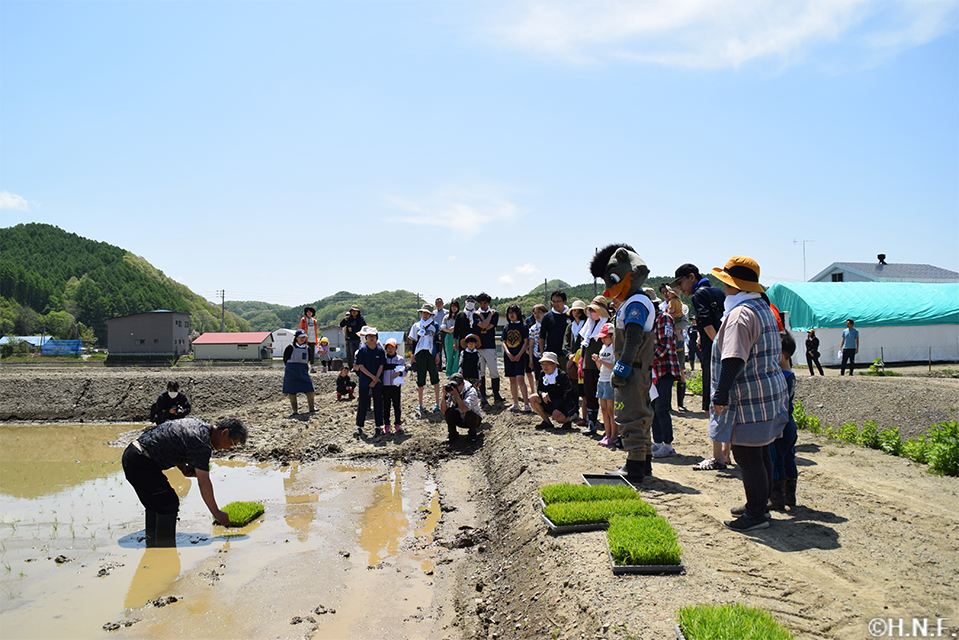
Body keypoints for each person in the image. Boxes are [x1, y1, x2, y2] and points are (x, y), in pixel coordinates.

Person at [708, 256, 788, 532]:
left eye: (727, 282)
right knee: (761, 451)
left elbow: (733, 358)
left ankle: (755, 514)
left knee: (746, 455)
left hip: (748, 396)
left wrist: (720, 394)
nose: (723, 287)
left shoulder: (740, 314)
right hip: (768, 391)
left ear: (736, 286)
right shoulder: (761, 306)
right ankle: (758, 503)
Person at [122, 417, 247, 546]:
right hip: (141, 462)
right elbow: (204, 482)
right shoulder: (201, 443)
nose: (229, 449)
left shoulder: (198, 425)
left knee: (156, 505)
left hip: (132, 455)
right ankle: (165, 548)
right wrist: (216, 512)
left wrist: (183, 468)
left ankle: (152, 542)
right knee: (168, 504)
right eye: (232, 443)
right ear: (224, 432)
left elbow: (174, 441)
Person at [591, 244, 657, 481]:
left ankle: (635, 466)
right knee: (642, 414)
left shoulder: (635, 303)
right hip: (640, 369)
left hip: (634, 369)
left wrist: (622, 367)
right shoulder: (635, 301)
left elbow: (633, 338)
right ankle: (643, 462)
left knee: (630, 415)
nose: (609, 290)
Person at [671, 264, 724, 412]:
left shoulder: (698, 295)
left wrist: (720, 347)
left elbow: (707, 324)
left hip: (713, 351)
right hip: (725, 347)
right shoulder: (718, 291)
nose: (680, 288)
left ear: (692, 277)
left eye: (680, 283)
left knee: (710, 401)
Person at [769, 332, 799, 510]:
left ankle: (777, 498)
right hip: (790, 423)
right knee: (790, 458)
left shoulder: (780, 376)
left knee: (777, 459)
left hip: (780, 423)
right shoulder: (791, 374)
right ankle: (790, 496)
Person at [651, 288, 681, 458]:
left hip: (664, 369)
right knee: (653, 407)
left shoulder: (664, 318)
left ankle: (668, 444)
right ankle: (657, 441)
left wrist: (651, 360)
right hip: (653, 371)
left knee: (662, 408)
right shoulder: (648, 320)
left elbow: (666, 344)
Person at [579, 296, 610, 435]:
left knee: (606, 397)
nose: (592, 313)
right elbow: (584, 347)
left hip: (604, 366)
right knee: (590, 394)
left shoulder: (608, 326)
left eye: (595, 310)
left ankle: (609, 427)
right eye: (591, 310)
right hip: (588, 365)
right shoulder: (588, 326)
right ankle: (591, 423)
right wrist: (581, 362)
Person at [529, 352, 577, 429]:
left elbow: (568, 394)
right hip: (550, 401)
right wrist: (543, 393)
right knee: (533, 398)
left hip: (563, 403)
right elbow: (539, 389)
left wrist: (559, 409)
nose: (544, 367)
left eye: (547, 364)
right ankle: (546, 421)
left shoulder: (562, 375)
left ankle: (568, 420)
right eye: (543, 364)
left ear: (555, 364)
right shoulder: (542, 374)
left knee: (558, 418)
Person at [409, 303, 442, 413]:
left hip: (431, 353)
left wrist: (438, 354)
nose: (425, 315)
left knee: (435, 378)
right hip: (419, 353)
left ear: (431, 314)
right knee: (420, 378)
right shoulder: (416, 325)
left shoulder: (435, 325)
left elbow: (438, 341)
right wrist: (413, 355)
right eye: (423, 312)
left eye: (427, 313)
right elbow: (413, 342)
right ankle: (420, 404)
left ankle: (437, 403)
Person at [471, 292, 504, 404]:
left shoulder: (495, 314)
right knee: (481, 372)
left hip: (490, 345)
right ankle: (483, 395)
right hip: (479, 346)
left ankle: (496, 393)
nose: (482, 305)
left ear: (488, 303)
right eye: (480, 303)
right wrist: (487, 315)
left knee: (494, 371)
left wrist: (484, 317)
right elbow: (484, 326)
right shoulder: (476, 314)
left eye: (484, 303)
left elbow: (487, 326)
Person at [354, 326, 386, 436]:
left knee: (378, 403)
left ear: (377, 338)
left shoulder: (380, 350)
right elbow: (361, 366)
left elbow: (381, 366)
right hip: (365, 380)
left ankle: (378, 426)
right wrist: (373, 378)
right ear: (366, 338)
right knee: (362, 403)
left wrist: (376, 379)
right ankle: (359, 426)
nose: (371, 338)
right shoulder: (362, 350)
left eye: (373, 336)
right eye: (369, 336)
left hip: (377, 381)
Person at [663, 285, 690, 410]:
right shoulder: (662, 307)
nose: (666, 294)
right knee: (667, 373)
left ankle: (680, 404)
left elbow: (685, 322)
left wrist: (673, 325)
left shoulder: (682, 307)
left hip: (677, 343)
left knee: (681, 371)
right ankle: (667, 403)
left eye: (668, 292)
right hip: (667, 343)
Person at [591, 323, 617, 447]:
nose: (602, 339)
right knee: (604, 409)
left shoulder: (614, 348)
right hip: (602, 380)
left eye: (605, 337)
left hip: (610, 381)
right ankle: (607, 434)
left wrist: (601, 361)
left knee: (611, 410)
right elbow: (600, 368)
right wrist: (597, 361)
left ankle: (613, 435)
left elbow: (614, 366)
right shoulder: (603, 347)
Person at [501, 303, 530, 412]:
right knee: (512, 380)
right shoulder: (506, 327)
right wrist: (509, 354)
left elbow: (526, 342)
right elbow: (503, 342)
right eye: (509, 313)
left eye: (513, 312)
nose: (511, 315)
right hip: (509, 356)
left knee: (520, 379)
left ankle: (526, 404)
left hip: (520, 356)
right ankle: (515, 403)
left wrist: (518, 355)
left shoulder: (523, 326)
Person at [564, 300, 588, 426]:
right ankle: (575, 412)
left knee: (584, 388)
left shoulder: (587, 324)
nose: (576, 313)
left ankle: (588, 415)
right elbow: (565, 344)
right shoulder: (570, 326)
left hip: (583, 359)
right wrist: (569, 355)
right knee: (571, 387)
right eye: (574, 310)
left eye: (579, 310)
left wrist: (576, 356)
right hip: (571, 360)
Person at [441, 372, 482, 442]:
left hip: (473, 420)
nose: (455, 388)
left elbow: (464, 409)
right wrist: (444, 395)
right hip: (459, 417)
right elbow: (443, 409)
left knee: (470, 414)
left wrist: (456, 395)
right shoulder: (451, 390)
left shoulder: (471, 391)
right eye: (453, 385)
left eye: (457, 385)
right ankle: (452, 434)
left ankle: (472, 434)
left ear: (462, 384)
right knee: (449, 412)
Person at [283, 329, 315, 415]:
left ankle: (312, 408)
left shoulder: (308, 348)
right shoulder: (290, 347)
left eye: (304, 337)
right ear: (296, 338)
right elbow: (285, 359)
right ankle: (295, 410)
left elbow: (308, 360)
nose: (302, 339)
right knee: (292, 391)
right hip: (291, 371)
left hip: (303, 371)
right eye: (300, 337)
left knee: (310, 389)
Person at [539, 290, 571, 369]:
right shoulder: (547, 317)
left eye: (558, 301)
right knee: (552, 379)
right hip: (551, 354)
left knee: (567, 378)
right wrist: (542, 353)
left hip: (567, 355)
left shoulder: (570, 315)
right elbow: (542, 336)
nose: (555, 304)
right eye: (553, 301)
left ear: (564, 301)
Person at [382, 338, 406, 433]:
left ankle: (397, 424)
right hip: (385, 386)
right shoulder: (383, 359)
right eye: (388, 347)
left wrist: (399, 373)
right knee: (386, 406)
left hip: (396, 386)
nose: (390, 349)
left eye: (392, 347)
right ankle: (387, 424)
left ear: (396, 348)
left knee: (396, 405)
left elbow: (405, 372)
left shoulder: (400, 359)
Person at [526, 304, 547, 394]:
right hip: (536, 356)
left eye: (539, 312)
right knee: (538, 377)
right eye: (535, 313)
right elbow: (531, 345)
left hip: (547, 356)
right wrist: (531, 360)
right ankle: (539, 394)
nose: (537, 314)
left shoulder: (548, 326)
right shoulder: (533, 328)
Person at [339, 305, 366, 369]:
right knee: (351, 354)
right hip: (350, 339)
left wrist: (353, 329)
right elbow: (341, 325)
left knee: (358, 353)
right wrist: (344, 320)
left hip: (358, 339)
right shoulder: (349, 318)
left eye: (355, 311)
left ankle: (359, 366)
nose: (354, 312)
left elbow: (363, 326)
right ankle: (352, 367)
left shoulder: (360, 318)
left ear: (358, 312)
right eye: (352, 311)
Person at [441, 299, 460, 377]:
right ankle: (448, 373)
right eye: (452, 306)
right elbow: (443, 326)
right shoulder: (447, 316)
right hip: (449, 336)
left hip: (458, 336)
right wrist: (448, 330)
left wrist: (455, 328)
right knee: (449, 355)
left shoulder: (460, 316)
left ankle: (455, 371)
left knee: (457, 355)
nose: (454, 308)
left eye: (455, 306)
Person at [299, 307, 320, 373]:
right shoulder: (303, 320)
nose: (309, 313)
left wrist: (316, 340)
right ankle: (304, 366)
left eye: (310, 312)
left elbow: (315, 330)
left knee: (312, 354)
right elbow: (301, 328)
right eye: (308, 312)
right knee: (305, 353)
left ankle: (312, 367)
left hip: (313, 339)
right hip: (305, 339)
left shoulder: (314, 321)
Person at [433, 298, 447, 369]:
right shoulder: (433, 313)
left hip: (445, 331)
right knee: (438, 348)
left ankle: (447, 365)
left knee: (446, 348)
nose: (438, 305)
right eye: (437, 303)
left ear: (443, 304)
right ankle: (439, 365)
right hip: (436, 332)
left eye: (440, 303)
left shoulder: (446, 312)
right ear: (435, 304)